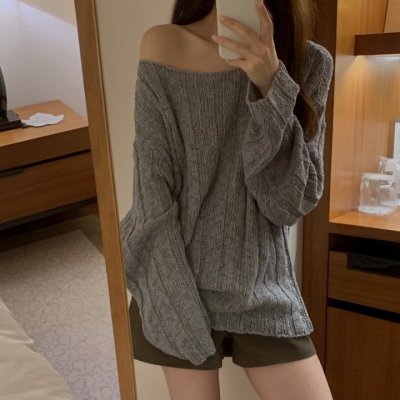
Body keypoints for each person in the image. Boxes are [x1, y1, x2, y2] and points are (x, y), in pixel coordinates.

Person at [120, 0, 334, 398]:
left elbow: (288, 205)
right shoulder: (165, 44)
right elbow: (152, 191)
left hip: (264, 286)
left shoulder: (309, 61)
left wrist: (272, 86)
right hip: (179, 280)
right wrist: (172, 298)